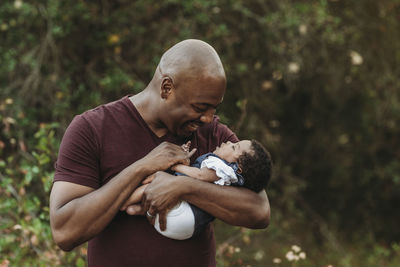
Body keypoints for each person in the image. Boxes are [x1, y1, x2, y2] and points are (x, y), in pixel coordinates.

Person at [49, 39, 271, 267]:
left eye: (214, 108)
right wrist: (143, 167)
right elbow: (65, 231)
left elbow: (259, 211)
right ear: (167, 88)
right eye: (200, 107)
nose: (207, 118)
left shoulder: (213, 135)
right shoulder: (93, 129)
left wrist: (182, 187)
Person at [121, 139, 272, 240]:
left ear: (238, 167)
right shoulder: (233, 178)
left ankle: (123, 201)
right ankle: (134, 209)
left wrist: (174, 165)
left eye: (234, 146)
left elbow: (200, 175)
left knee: (156, 181)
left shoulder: (221, 168)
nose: (228, 141)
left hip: (183, 217)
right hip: (187, 227)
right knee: (159, 186)